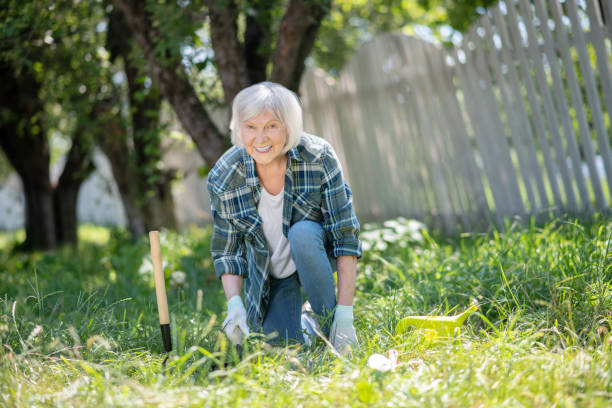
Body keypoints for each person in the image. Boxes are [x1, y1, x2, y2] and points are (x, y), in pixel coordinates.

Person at [207, 82, 361, 353]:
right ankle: (305, 322)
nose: (260, 137)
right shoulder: (225, 175)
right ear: (238, 128)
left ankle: (328, 326)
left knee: (301, 234)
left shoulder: (318, 157)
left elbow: (344, 236)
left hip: (314, 256)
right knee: (282, 349)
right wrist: (235, 304)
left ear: (289, 127)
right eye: (250, 126)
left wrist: (345, 316)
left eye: (271, 126)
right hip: (270, 274)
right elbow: (227, 251)